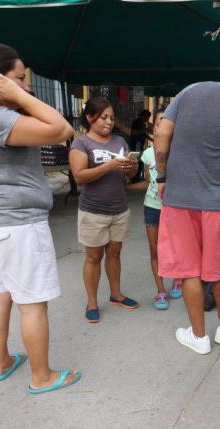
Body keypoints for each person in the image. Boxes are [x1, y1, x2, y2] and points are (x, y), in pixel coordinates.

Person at [0, 42, 80, 394]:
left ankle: (2, 362)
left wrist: (15, 94)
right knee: (32, 305)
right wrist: (19, 97)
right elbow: (61, 129)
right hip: (18, 225)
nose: (24, 86)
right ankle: (42, 377)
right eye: (19, 78)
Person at [154, 63, 220, 355]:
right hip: (219, 200)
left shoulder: (189, 91)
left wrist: (162, 176)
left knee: (189, 271)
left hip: (179, 197)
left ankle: (199, 337)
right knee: (219, 270)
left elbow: (163, 132)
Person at [70, 96, 140, 323]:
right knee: (93, 257)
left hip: (119, 208)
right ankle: (92, 302)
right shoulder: (81, 143)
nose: (109, 122)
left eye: (111, 117)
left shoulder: (119, 142)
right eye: (103, 117)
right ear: (90, 118)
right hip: (93, 211)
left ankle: (116, 294)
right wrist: (109, 165)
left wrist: (131, 167)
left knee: (115, 253)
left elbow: (128, 176)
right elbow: (79, 176)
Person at [131, 106, 183, 310]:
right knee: (155, 249)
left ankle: (177, 279)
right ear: (154, 126)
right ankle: (160, 290)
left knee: (176, 247)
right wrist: (127, 185)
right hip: (152, 206)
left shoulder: (179, 154)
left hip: (174, 208)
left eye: (167, 121)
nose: (163, 125)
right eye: (159, 120)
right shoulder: (147, 154)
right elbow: (146, 183)